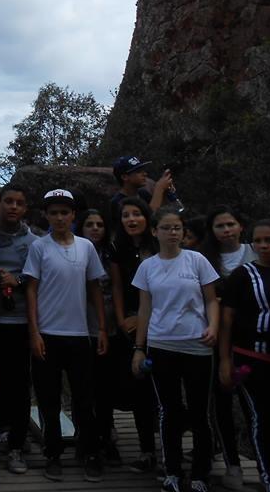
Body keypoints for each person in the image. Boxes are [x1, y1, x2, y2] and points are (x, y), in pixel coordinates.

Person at [131, 207, 220, 492]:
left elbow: (212, 301)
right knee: (168, 411)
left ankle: (199, 475)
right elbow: (144, 310)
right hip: (162, 345)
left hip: (197, 344)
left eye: (177, 228)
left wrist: (214, 327)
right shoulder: (147, 266)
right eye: (166, 228)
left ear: (183, 232)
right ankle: (171, 472)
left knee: (199, 412)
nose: (172, 233)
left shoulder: (197, 261)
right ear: (155, 231)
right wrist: (139, 348)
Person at [24, 189, 107, 483]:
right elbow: (30, 289)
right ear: (46, 216)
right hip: (47, 333)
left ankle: (90, 452)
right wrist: (34, 332)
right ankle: (53, 454)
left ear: (73, 216)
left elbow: (95, 288)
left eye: (65, 212)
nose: (59, 217)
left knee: (85, 399)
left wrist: (101, 329)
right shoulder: (39, 248)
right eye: (54, 212)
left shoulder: (86, 247)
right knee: (49, 400)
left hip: (79, 334)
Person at [219, 219, 270, 492]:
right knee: (265, 423)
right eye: (258, 241)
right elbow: (227, 320)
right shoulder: (244, 275)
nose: (263, 246)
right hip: (254, 360)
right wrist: (224, 360)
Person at [202, 205, 256, 490]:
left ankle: (264, 464)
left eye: (230, 224)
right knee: (221, 405)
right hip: (216, 337)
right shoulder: (204, 258)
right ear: (211, 231)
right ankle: (232, 465)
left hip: (253, 338)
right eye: (219, 226)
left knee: (256, 407)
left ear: (240, 226)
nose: (226, 230)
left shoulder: (256, 250)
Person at [0, 183, 38, 474]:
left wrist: (16, 282)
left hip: (20, 321)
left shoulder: (34, 242)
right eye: (8, 201)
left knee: (19, 385)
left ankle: (17, 445)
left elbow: (36, 278)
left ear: (25, 208)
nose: (13, 207)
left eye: (19, 203)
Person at [108, 196, 159, 473]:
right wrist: (120, 320)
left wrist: (144, 321)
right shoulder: (118, 248)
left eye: (136, 214)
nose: (131, 219)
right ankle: (147, 451)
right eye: (126, 215)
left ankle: (168, 452)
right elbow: (116, 287)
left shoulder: (159, 244)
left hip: (161, 324)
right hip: (129, 322)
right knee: (138, 388)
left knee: (162, 391)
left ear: (146, 217)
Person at [76, 208, 121, 466]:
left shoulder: (109, 253)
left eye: (100, 224)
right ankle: (86, 436)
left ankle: (106, 435)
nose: (95, 228)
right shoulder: (74, 250)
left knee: (105, 386)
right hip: (79, 324)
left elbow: (115, 286)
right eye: (90, 224)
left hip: (108, 325)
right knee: (84, 386)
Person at [109, 156, 173, 226]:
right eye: (139, 172)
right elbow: (148, 220)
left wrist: (164, 191)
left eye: (143, 170)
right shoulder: (117, 202)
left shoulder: (143, 194)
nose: (145, 174)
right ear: (124, 177)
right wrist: (159, 189)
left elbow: (159, 213)